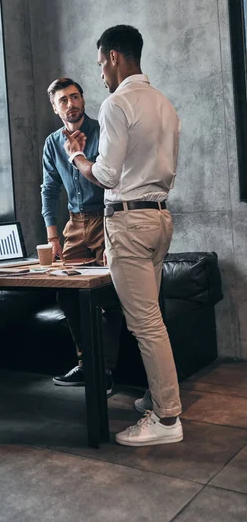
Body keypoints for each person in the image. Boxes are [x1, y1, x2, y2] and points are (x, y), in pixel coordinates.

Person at [63, 25, 183, 447]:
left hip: (129, 222)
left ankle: (167, 419)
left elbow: (107, 174)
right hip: (160, 218)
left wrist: (78, 156)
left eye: (100, 64)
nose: (100, 74)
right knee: (153, 318)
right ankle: (157, 396)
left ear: (115, 57)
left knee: (145, 322)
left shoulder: (117, 102)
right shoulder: (164, 103)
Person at [41, 78, 121, 393]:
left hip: (106, 218)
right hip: (73, 225)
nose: (71, 104)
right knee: (66, 291)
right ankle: (88, 364)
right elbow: (49, 189)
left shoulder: (103, 131)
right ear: (55, 106)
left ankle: (106, 370)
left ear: (83, 99)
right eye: (63, 100)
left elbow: (112, 181)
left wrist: (112, 232)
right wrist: (53, 236)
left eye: (75, 97)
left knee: (108, 296)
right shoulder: (52, 143)